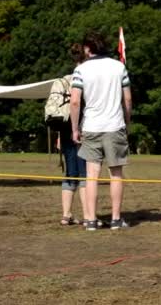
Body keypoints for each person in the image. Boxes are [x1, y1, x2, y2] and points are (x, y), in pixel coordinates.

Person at [70, 31, 133, 231]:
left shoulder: (80, 70)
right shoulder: (119, 66)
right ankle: (115, 219)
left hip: (91, 126)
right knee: (116, 174)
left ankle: (90, 220)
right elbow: (128, 99)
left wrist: (74, 129)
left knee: (91, 175)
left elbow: (75, 101)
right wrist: (127, 122)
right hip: (115, 125)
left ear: (88, 48)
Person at [59, 44, 88, 226]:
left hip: (65, 130)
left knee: (70, 172)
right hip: (82, 129)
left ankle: (66, 214)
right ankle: (88, 216)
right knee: (85, 173)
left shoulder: (65, 79)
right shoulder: (85, 76)